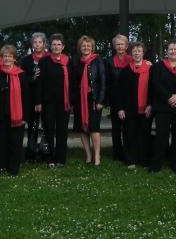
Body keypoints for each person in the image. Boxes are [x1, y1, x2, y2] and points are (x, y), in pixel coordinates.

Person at [149, 40, 176, 173]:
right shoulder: (158, 66)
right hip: (163, 107)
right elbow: (155, 84)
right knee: (161, 136)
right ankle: (157, 165)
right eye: (170, 49)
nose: (173, 51)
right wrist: (168, 98)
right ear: (166, 51)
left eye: (175, 49)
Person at [0, 45, 29, 176]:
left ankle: (13, 168)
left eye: (10, 56)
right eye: (5, 56)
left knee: (15, 142)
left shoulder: (21, 75)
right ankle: (1, 166)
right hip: (0, 114)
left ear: (14, 59)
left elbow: (26, 97)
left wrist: (25, 116)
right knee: (0, 142)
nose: (7, 58)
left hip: (17, 115)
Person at [116, 41, 153, 169]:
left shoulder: (150, 69)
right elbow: (119, 91)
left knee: (144, 135)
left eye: (139, 51)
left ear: (143, 53)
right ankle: (130, 160)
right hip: (129, 109)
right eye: (135, 51)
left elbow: (154, 89)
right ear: (131, 53)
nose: (137, 53)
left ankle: (143, 160)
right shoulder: (125, 71)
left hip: (146, 109)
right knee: (129, 134)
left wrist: (150, 105)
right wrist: (120, 108)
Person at [71, 35, 105, 165]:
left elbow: (103, 82)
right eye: (83, 45)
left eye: (88, 45)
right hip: (80, 99)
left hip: (94, 98)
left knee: (94, 128)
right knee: (82, 128)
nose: (86, 47)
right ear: (80, 47)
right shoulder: (76, 62)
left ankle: (97, 155)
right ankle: (88, 155)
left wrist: (101, 100)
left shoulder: (98, 61)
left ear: (92, 47)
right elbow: (73, 83)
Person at [40, 34, 71, 167]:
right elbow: (40, 83)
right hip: (48, 103)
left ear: (63, 46)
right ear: (50, 46)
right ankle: (50, 158)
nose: (56, 46)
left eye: (59, 44)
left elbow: (73, 82)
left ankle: (61, 159)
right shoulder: (44, 61)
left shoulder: (69, 61)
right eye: (54, 44)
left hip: (64, 102)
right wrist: (39, 102)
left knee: (62, 130)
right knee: (49, 130)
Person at [20, 32, 47, 159]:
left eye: (40, 42)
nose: (37, 44)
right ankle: (31, 150)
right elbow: (22, 79)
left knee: (46, 124)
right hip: (30, 97)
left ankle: (45, 150)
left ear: (44, 44)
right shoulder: (26, 60)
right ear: (32, 44)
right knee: (33, 124)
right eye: (35, 42)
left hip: (46, 97)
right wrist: (33, 77)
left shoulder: (49, 58)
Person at [104, 34, 130, 163]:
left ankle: (128, 152)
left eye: (122, 44)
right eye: (117, 44)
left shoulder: (132, 59)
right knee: (116, 128)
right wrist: (107, 100)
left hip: (130, 99)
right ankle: (117, 153)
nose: (120, 46)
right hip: (115, 99)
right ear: (114, 46)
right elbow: (107, 81)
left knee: (128, 127)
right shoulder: (108, 61)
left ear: (126, 45)